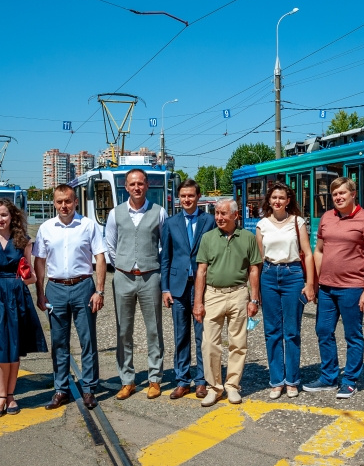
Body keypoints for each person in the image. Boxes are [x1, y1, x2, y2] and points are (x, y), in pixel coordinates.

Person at [305, 177, 364, 399]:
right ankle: (328, 378)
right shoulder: (327, 218)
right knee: (323, 331)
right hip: (327, 289)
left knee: (353, 335)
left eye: (342, 193)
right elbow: (318, 250)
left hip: (352, 288)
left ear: (353, 194)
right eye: (335, 194)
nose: (338, 197)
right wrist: (318, 281)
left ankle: (349, 381)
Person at [33, 185, 107, 410]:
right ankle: (61, 389)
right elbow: (39, 262)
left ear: (76, 202)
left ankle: (89, 388)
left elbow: (100, 257)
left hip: (83, 286)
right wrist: (40, 292)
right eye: (59, 202)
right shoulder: (46, 228)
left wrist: (100, 291)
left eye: (67, 201)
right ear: (54, 203)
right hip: (55, 288)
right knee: (59, 342)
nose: (63, 206)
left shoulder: (88, 225)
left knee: (87, 340)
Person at [0, 199, 47, 418]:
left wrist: (27, 280)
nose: (0, 219)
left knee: (13, 346)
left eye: (4, 215)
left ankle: (11, 395)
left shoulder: (23, 241)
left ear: (12, 216)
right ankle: (1, 396)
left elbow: (32, 276)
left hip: (16, 296)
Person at [105, 168, 169, 400]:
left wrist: (153, 265)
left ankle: (154, 378)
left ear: (147, 185)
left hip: (151, 277)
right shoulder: (115, 214)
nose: (136, 188)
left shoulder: (159, 212)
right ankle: (127, 380)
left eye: (140, 184)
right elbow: (109, 244)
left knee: (154, 330)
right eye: (132, 184)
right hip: (123, 277)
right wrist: (121, 265)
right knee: (123, 331)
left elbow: (164, 245)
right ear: (126, 187)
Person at [193, 198, 262, 407]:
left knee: (238, 343)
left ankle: (232, 386)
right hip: (213, 295)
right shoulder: (207, 238)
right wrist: (198, 302)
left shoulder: (248, 238)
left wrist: (254, 299)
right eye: (216, 213)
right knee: (209, 344)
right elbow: (202, 271)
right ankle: (214, 388)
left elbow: (254, 269)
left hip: (239, 293)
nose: (219, 217)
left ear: (235, 215)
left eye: (223, 214)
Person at [255, 182, 316, 399]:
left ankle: (292, 380)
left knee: (291, 331)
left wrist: (309, 283)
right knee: (272, 331)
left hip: (293, 275)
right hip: (269, 276)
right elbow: (259, 260)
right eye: (274, 198)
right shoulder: (261, 225)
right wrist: (255, 291)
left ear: (288, 200)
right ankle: (276, 381)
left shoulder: (297, 222)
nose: (278, 201)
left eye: (282, 197)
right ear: (269, 201)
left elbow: (307, 253)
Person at [160, 179, 216, 400]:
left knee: (203, 335)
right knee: (181, 335)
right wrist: (165, 288)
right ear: (178, 198)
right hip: (178, 287)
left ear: (198, 197)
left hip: (202, 286)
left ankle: (202, 381)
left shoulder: (209, 221)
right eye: (183, 196)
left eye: (191, 196)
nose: (187, 200)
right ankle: (183, 380)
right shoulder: (171, 223)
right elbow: (165, 258)